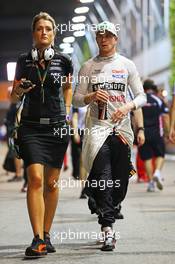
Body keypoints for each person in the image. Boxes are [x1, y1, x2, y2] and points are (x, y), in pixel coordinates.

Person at [73, 21, 146, 251]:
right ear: (96, 40)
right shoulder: (88, 66)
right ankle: (108, 229)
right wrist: (92, 96)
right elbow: (75, 99)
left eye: (108, 36)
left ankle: (107, 207)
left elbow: (141, 96)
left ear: (116, 39)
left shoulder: (127, 65)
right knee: (103, 176)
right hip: (97, 128)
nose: (103, 39)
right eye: (100, 36)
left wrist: (127, 107)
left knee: (121, 181)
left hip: (122, 130)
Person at [11, 12, 73, 257]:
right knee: (35, 179)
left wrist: (67, 112)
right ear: (34, 33)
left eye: (48, 28)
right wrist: (19, 90)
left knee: (51, 183)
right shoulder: (23, 60)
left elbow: (68, 87)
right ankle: (37, 238)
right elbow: (13, 94)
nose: (44, 32)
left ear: (54, 33)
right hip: (30, 126)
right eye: (39, 29)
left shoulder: (64, 60)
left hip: (57, 126)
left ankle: (47, 234)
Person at [138, 80, 169, 192]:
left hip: (143, 133)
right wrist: (168, 131)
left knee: (147, 158)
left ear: (144, 88)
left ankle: (151, 183)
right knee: (160, 154)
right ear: (153, 87)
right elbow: (165, 117)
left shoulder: (140, 100)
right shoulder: (158, 100)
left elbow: (134, 118)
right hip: (157, 132)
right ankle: (157, 172)